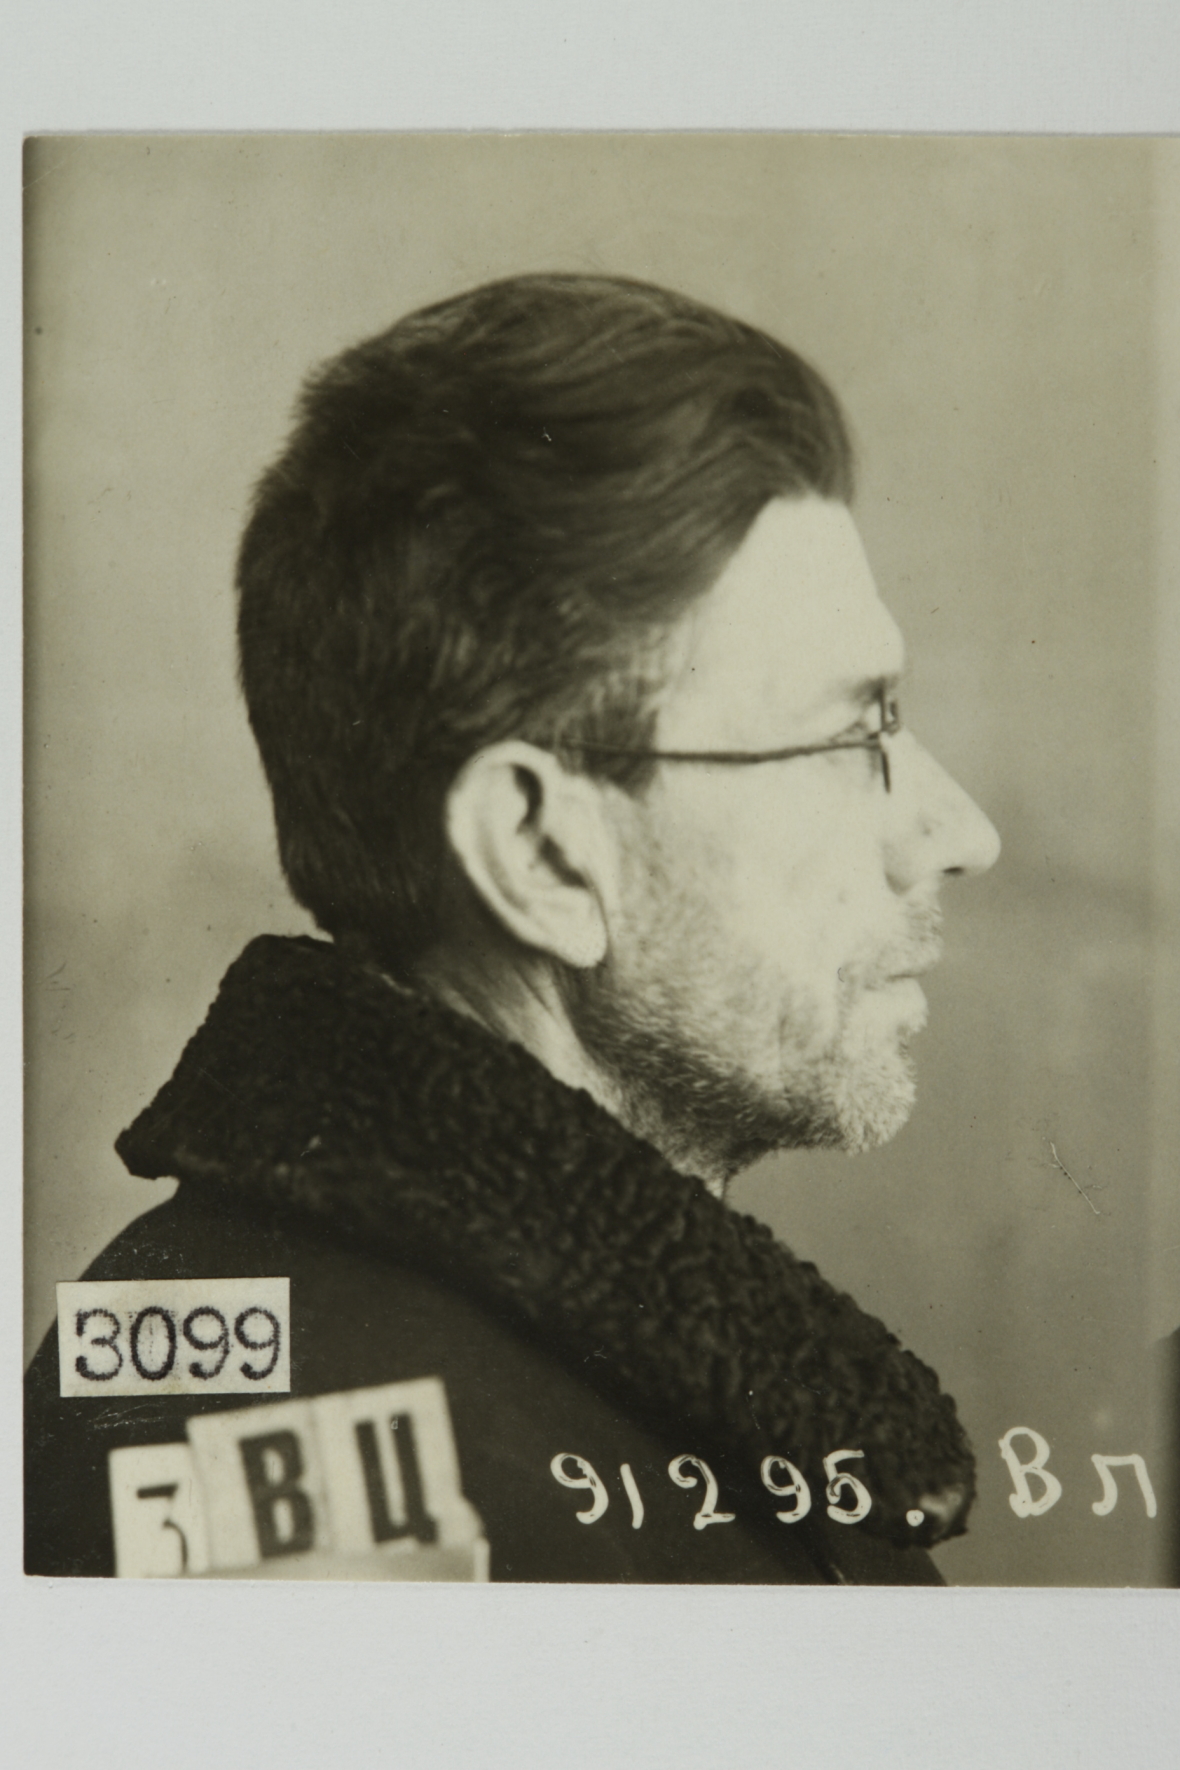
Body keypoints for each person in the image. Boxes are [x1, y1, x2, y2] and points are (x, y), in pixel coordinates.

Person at [25, 273, 1000, 1584]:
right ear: (542, 854)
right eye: (848, 734)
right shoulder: (288, 1473)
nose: (959, 830)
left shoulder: (666, 1367)